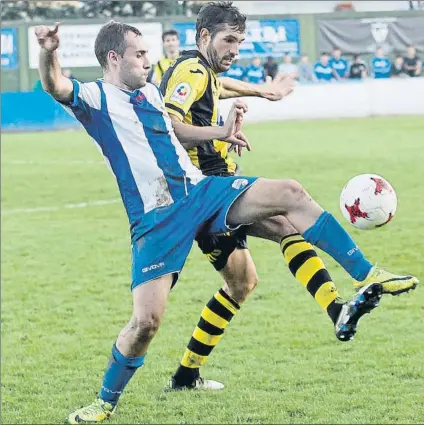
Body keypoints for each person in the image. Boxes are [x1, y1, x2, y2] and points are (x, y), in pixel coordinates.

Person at [34, 18, 418, 425]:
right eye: (140, 54)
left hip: (200, 193)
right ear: (114, 58)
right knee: (145, 323)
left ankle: (367, 272)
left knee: (289, 194)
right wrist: (49, 50)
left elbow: (175, 127)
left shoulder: (148, 90)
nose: (149, 61)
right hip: (155, 220)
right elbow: (54, 84)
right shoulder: (94, 97)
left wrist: (221, 130)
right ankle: (104, 404)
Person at [160, 0, 417, 394]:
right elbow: (167, 124)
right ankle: (367, 274)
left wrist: (264, 92)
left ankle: (185, 375)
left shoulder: (204, 71)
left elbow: (219, 86)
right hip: (202, 193)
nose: (235, 50)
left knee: (248, 276)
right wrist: (220, 134)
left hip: (210, 189)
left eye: (240, 43)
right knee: (291, 194)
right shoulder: (191, 69)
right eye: (229, 40)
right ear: (204, 36)